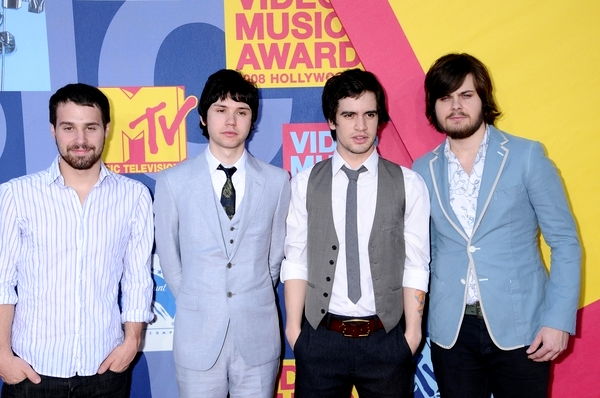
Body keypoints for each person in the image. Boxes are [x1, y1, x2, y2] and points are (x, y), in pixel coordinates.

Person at [412, 53, 581, 397]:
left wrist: (557, 320)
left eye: (466, 95)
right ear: (434, 106)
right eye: (445, 97)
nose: (455, 106)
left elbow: (564, 241)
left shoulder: (526, 156)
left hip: (523, 327)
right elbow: (418, 255)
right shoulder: (421, 169)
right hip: (451, 330)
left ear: (483, 98)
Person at [282, 68, 431, 397]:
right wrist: (295, 332)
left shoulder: (409, 184)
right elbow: (296, 258)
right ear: (332, 121)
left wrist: (412, 336)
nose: (361, 126)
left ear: (379, 118)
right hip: (321, 338)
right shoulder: (305, 183)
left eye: (369, 114)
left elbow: (417, 264)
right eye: (349, 115)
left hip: (387, 339)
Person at [0, 83, 154, 397]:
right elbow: (2, 281)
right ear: (53, 130)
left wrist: (132, 342)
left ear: (107, 130)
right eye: (69, 128)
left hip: (105, 370)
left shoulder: (134, 196)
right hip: (31, 371)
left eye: (91, 128)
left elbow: (138, 278)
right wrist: (2, 355)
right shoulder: (16, 194)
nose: (80, 140)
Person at [153, 69, 290, 398]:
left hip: (257, 335)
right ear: (203, 117)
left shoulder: (277, 181)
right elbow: (170, 260)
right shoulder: (173, 183)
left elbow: (274, 258)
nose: (231, 121)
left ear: (252, 121)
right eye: (221, 110)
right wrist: (198, 299)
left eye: (242, 112)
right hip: (197, 336)